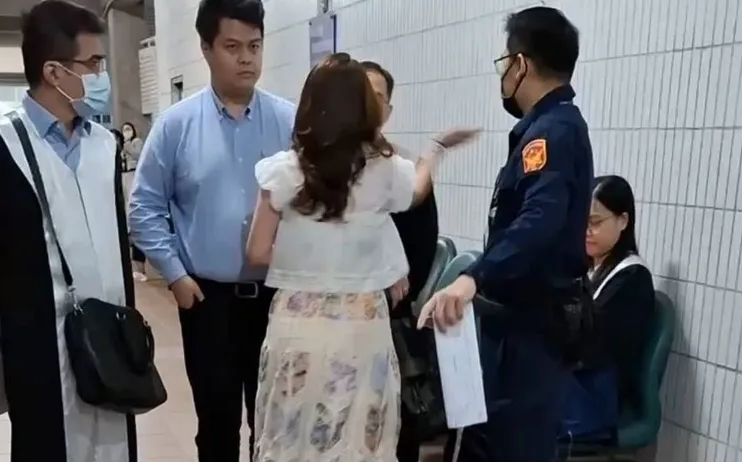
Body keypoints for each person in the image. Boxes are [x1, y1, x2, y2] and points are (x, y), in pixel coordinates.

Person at [246, 52, 478, 462]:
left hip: (295, 327)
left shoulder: (282, 171)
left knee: (293, 437)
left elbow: (257, 251)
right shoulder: (385, 170)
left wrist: (308, 262)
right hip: (361, 329)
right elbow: (418, 190)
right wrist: (435, 150)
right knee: (357, 440)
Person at [419, 6, 593, 461]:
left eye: (504, 63)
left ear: (521, 64)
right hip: (517, 325)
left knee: (516, 446)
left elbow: (539, 220)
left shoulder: (552, 133)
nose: (502, 75)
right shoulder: (549, 127)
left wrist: (474, 276)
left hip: (531, 330)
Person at [128, 0, 295, 460]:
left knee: (274, 425)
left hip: (278, 299)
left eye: (255, 46)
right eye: (232, 47)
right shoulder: (176, 126)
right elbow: (143, 208)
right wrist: (176, 276)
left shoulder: (289, 122)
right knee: (217, 426)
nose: (246, 59)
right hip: (207, 302)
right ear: (206, 49)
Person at [0, 1, 136, 460]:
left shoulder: (104, 146)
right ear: (54, 72)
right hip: (40, 348)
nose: (101, 75)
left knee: (115, 443)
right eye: (93, 63)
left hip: (111, 339)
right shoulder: (7, 147)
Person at [362, 60, 442, 462]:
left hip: (389, 319)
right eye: (360, 94)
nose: (367, 104)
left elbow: (422, 250)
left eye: (377, 98)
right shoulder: (322, 170)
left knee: (395, 430)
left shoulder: (405, 172)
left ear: (389, 111)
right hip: (338, 325)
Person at [561, 175, 654, 442]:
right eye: (581, 222)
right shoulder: (590, 269)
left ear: (623, 221)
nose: (586, 231)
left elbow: (590, 346)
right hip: (575, 382)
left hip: (596, 399)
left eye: (595, 222)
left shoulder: (632, 278)